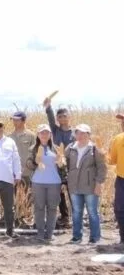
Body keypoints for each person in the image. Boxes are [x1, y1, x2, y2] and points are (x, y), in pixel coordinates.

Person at [64, 124, 107, 244]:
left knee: (92, 212)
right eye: (78, 133)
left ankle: (95, 237)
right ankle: (77, 237)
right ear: (75, 134)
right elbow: (64, 164)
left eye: (84, 133)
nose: (80, 135)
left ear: (89, 135)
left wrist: (99, 184)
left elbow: (102, 168)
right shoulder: (70, 148)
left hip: (90, 186)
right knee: (76, 212)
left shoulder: (94, 148)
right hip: (74, 186)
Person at [26, 124, 64, 243]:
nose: (44, 135)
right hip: (38, 182)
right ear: (38, 135)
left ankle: (50, 233)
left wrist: (61, 164)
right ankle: (40, 233)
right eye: (42, 133)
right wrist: (36, 162)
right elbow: (28, 164)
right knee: (39, 208)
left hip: (54, 182)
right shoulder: (33, 149)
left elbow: (62, 167)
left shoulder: (57, 148)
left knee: (52, 208)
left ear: (50, 135)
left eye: (47, 133)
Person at [43, 96, 75, 227]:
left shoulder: (75, 133)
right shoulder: (55, 130)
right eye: (59, 116)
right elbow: (50, 118)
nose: (62, 118)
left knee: (73, 192)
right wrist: (48, 107)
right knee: (60, 193)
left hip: (72, 166)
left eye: (64, 116)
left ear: (69, 117)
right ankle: (65, 217)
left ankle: (76, 217)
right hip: (57, 166)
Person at [109, 113, 124, 247]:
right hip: (121, 179)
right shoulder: (117, 139)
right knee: (119, 209)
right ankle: (123, 238)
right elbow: (111, 160)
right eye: (123, 122)